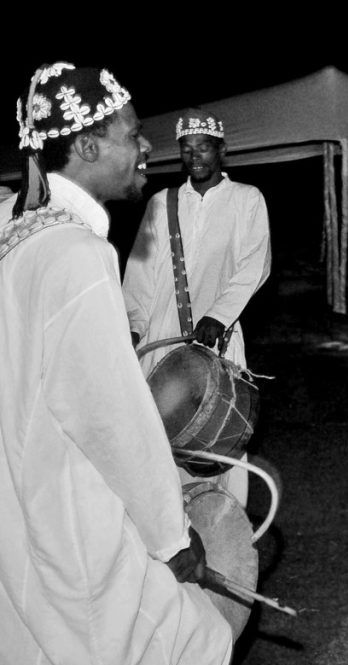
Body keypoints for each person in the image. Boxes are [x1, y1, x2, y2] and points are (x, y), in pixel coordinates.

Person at [0, 62, 232, 665]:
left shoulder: (13, 232)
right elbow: (112, 420)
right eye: (131, 134)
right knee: (197, 646)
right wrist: (172, 537)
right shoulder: (75, 255)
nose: (146, 146)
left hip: (15, 508)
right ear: (87, 147)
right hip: (68, 515)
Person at [123, 107, 271, 506]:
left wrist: (219, 315)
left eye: (203, 147)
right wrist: (133, 327)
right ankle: (170, 527)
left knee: (220, 438)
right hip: (162, 337)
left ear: (221, 150)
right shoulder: (162, 203)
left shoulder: (247, 199)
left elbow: (255, 265)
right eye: (187, 149)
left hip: (219, 336)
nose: (195, 156)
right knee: (160, 438)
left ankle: (225, 525)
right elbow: (139, 272)